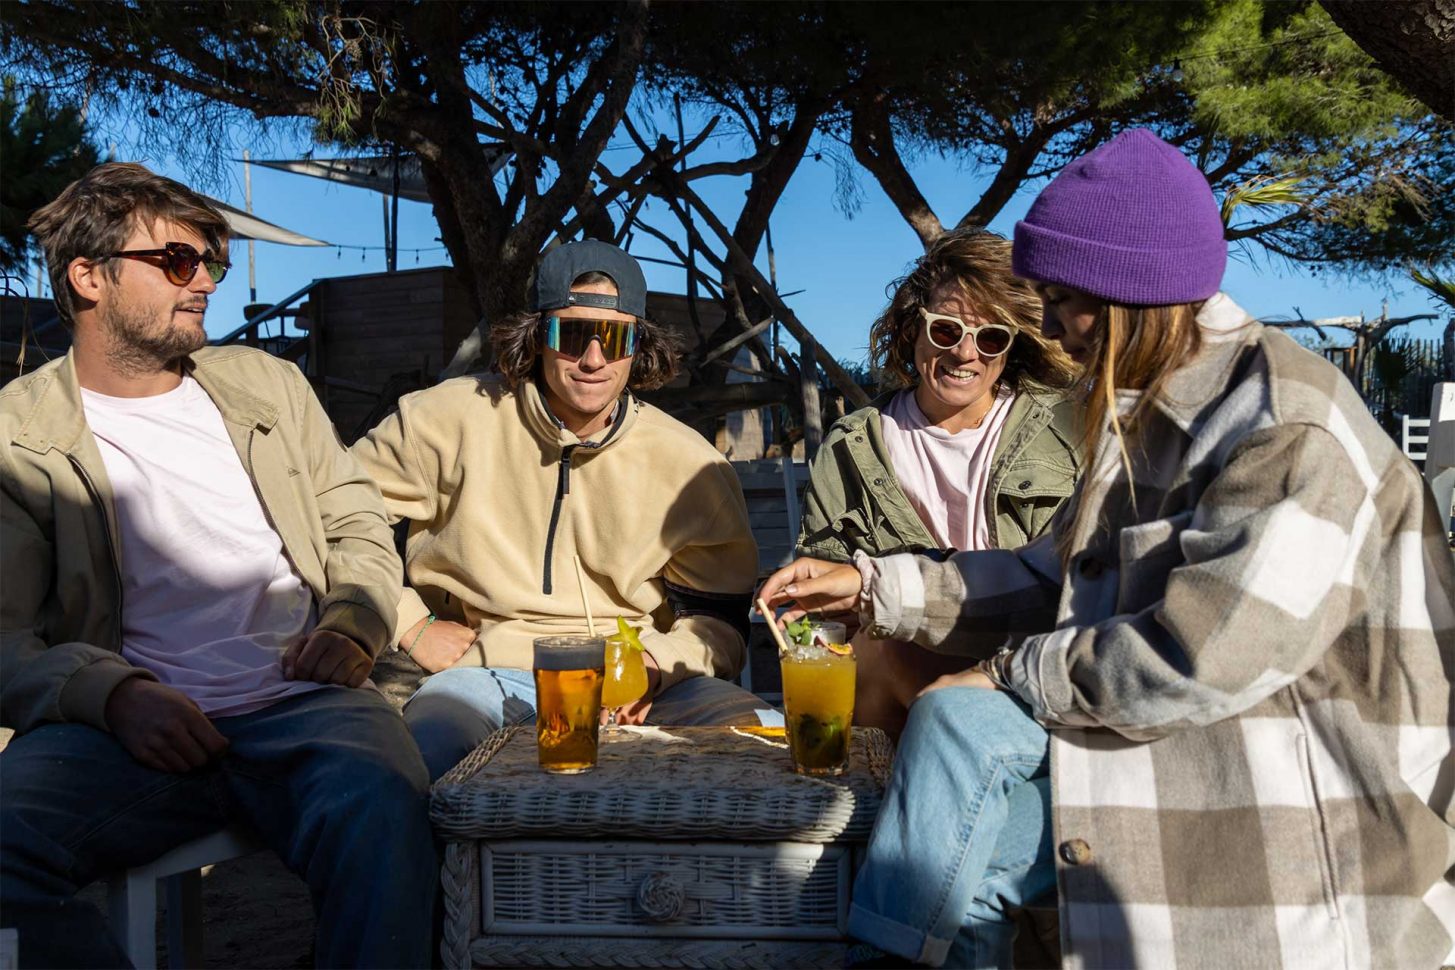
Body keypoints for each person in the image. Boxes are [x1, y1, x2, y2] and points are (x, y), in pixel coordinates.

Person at [761, 129, 1455, 968]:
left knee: (962, 724)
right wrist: (875, 587)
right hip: (1169, 753)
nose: (1046, 325)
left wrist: (1009, 670)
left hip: (1295, 827)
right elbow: (1049, 576)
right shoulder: (1144, 408)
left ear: (1131, 291)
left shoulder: (1284, 425)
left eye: (1059, 297)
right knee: (965, 872)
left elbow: (1196, 660)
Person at [0, 163, 436, 969]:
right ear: (88, 276)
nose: (202, 280)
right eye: (175, 261)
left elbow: (356, 520)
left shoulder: (265, 384)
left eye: (210, 262)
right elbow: (6, 637)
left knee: (390, 813)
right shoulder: (15, 436)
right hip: (120, 731)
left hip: (305, 705)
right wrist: (114, 694)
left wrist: (356, 620)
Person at [352, 239, 768, 781]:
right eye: (572, 335)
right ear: (537, 335)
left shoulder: (691, 466)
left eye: (615, 338)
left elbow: (720, 623)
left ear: (639, 346)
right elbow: (333, 516)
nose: (593, 359)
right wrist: (412, 624)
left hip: (640, 686)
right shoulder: (441, 421)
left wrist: (655, 665)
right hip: (488, 674)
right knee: (424, 753)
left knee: (767, 742)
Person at [796, 228, 1078, 735]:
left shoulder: (1066, 430)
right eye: (947, 330)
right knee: (889, 644)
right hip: (893, 686)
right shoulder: (851, 446)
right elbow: (824, 621)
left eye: (991, 337)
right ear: (913, 330)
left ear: (1010, 348)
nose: (966, 354)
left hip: (1028, 674)